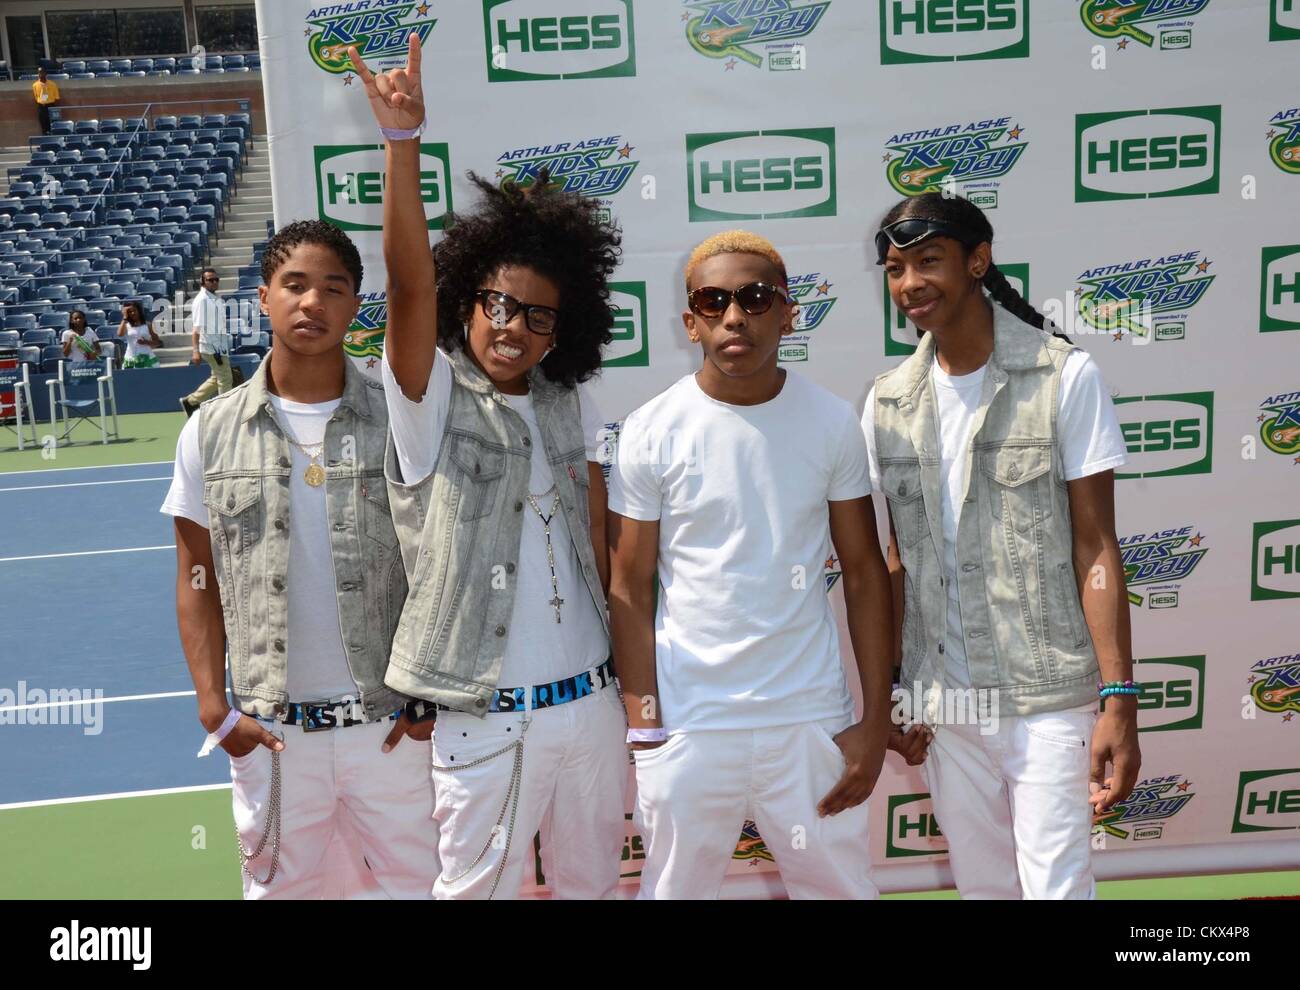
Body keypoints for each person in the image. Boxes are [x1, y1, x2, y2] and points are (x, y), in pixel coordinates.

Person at [349, 34, 627, 900]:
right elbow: (404, 288)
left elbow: (601, 544)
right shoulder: (426, 397)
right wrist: (404, 146)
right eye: (499, 305)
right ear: (467, 299)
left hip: (591, 709)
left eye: (539, 317)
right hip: (488, 724)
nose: (514, 328)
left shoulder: (565, 405)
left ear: (562, 330)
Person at [864, 192, 1141, 899]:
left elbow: (1097, 547)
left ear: (978, 261)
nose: (910, 284)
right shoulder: (889, 402)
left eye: (929, 261)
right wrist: (898, 690)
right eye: (896, 269)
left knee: (1057, 887)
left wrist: (1118, 699)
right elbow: (895, 561)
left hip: (1047, 694)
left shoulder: (1062, 377)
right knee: (983, 889)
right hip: (945, 704)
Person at [607, 230, 894, 900]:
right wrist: (647, 726)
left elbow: (862, 572)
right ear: (691, 321)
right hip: (690, 722)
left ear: (788, 312)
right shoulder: (652, 428)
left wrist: (875, 722)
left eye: (755, 297)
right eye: (714, 300)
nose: (735, 315)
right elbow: (630, 584)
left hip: (808, 720)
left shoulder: (829, 422)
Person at [161, 219, 440, 899]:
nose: (311, 302)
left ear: (354, 305)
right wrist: (212, 706)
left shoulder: (400, 419)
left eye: (332, 288)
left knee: (427, 888)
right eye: (294, 285)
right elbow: (196, 576)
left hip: (392, 731)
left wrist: (428, 691)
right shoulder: (211, 430)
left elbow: (440, 564)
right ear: (263, 298)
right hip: (274, 735)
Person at [181, 268, 232, 416]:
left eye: (216, 279)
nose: (214, 282)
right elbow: (196, 329)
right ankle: (225, 412)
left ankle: (190, 401)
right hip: (211, 347)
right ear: (203, 282)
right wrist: (195, 351)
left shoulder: (214, 298)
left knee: (217, 378)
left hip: (219, 345)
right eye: (210, 280)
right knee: (225, 379)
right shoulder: (202, 300)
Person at [118, 300, 163, 368]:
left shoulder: (148, 325)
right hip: (130, 359)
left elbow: (158, 342)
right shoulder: (126, 326)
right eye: (129, 312)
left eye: (134, 310)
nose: (132, 313)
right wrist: (124, 318)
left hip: (147, 358)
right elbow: (119, 334)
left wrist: (146, 342)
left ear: (139, 311)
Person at [32, 68, 59, 136]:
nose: (41, 74)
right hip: (41, 107)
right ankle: (45, 137)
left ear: (46, 73)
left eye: (43, 72)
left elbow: (56, 97)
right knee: (43, 123)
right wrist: (42, 102)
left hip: (51, 106)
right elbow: (36, 97)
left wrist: (51, 104)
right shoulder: (35, 85)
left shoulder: (53, 84)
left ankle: (53, 137)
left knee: (53, 123)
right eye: (39, 72)